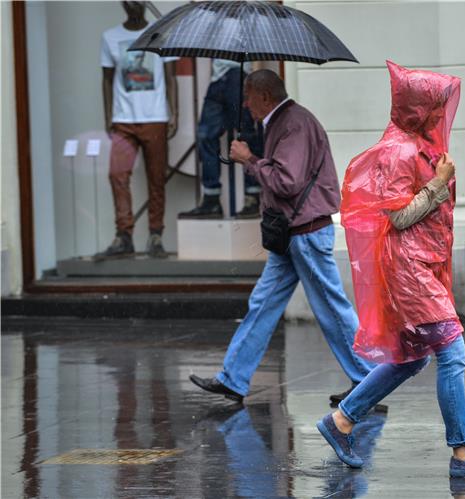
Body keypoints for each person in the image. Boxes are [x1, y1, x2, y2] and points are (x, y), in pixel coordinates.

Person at [316, 61, 465, 480]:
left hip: (422, 267)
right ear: (419, 108)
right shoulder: (399, 151)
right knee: (452, 353)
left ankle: (342, 421)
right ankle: (463, 454)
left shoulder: (417, 146)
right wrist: (439, 183)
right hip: (409, 272)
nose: (441, 115)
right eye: (435, 107)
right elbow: (399, 217)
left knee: (411, 357)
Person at [189, 69, 378, 409]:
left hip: (304, 232)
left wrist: (249, 160)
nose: (245, 105)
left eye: (248, 98)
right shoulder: (284, 121)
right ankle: (233, 378)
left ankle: (369, 381)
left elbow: (287, 182)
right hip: (293, 233)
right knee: (263, 304)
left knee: (331, 307)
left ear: (264, 96)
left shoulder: (293, 123)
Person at [95, 1, 177, 260]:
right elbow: (106, 80)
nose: (134, 3)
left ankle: (155, 235)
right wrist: (108, 116)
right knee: (117, 175)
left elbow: (170, 75)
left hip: (155, 116)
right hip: (123, 118)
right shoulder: (110, 37)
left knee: (156, 177)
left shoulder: (160, 32)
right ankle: (124, 235)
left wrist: (175, 112)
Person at [178, 59, 263, 220]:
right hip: (218, 77)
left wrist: (252, 79)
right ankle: (212, 199)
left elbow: (257, 56)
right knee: (206, 135)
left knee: (246, 135)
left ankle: (252, 196)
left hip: (239, 75)